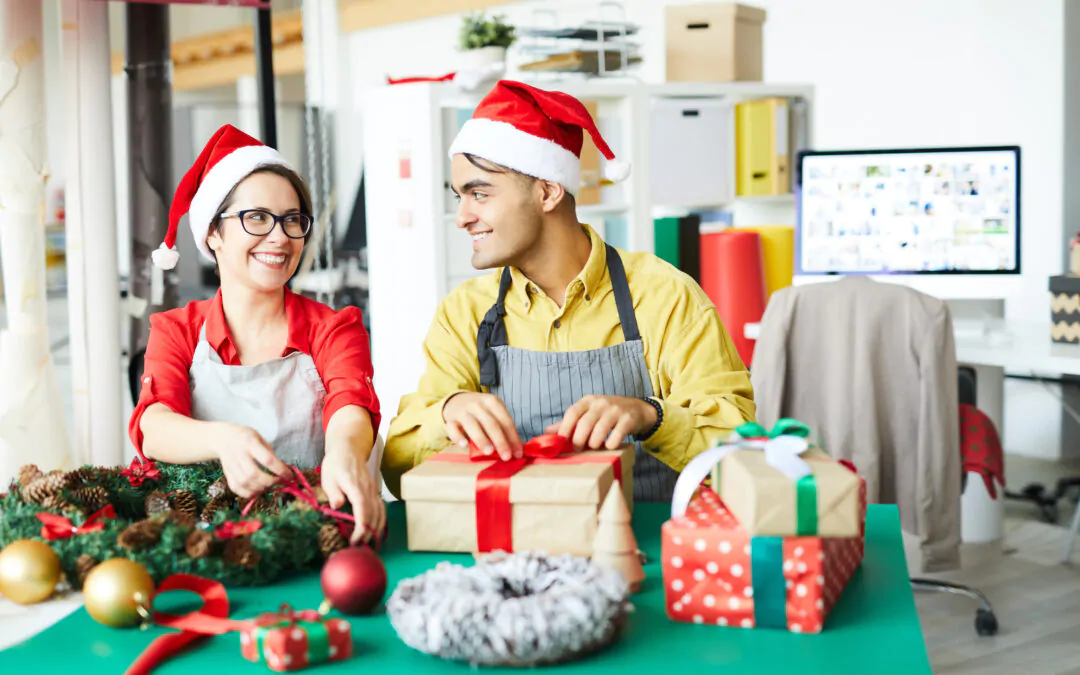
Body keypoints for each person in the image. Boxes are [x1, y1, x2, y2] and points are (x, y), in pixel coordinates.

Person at [382, 80, 755, 501]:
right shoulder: (464, 313)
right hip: (512, 547)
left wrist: (650, 417)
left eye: (479, 194)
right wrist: (446, 414)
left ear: (548, 191)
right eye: (459, 197)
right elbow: (397, 469)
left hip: (645, 546)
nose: (462, 217)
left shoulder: (666, 297)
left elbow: (739, 451)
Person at [129, 124, 383, 542]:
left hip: (311, 533)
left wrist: (344, 454)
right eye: (258, 218)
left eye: (291, 220)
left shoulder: (334, 328)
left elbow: (350, 408)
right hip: (201, 542)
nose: (280, 237)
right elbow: (154, 427)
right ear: (214, 232)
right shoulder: (177, 330)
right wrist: (226, 439)